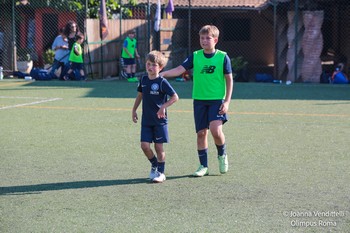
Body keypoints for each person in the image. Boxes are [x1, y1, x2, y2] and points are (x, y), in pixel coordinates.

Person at [160, 25, 233, 177]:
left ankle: (222, 154)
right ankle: (203, 166)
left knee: (216, 131)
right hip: (199, 100)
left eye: (208, 38)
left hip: (216, 100)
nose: (204, 41)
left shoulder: (222, 57)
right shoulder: (195, 55)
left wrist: (226, 102)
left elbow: (229, 80)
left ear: (216, 40)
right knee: (201, 133)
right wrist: (163, 74)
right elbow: (180, 69)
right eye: (202, 38)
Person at [131, 50, 179, 183]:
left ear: (160, 67)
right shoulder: (144, 79)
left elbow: (175, 97)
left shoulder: (162, 82)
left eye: (153, 65)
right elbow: (140, 95)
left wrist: (163, 107)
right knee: (144, 146)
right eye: (148, 64)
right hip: (146, 120)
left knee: (159, 147)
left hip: (159, 121)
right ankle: (154, 164)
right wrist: (134, 110)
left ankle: (161, 173)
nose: (150, 67)